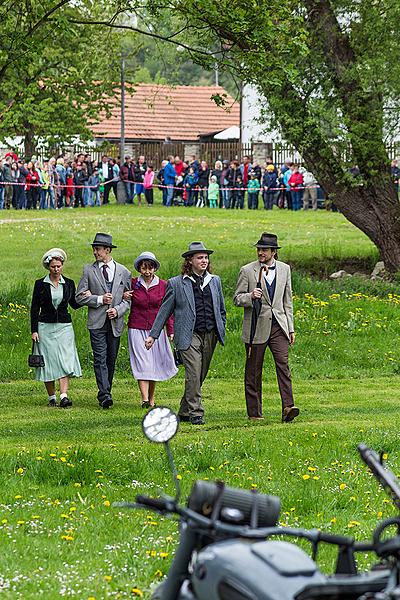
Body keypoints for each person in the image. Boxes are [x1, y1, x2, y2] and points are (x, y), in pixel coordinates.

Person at [145, 242, 226, 425]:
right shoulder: (176, 283)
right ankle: (196, 412)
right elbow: (164, 311)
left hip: (210, 334)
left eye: (206, 257)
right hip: (188, 336)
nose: (204, 260)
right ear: (190, 260)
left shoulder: (215, 281)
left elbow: (221, 308)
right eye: (200, 257)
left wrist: (222, 326)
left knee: (200, 375)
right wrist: (153, 335)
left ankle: (184, 410)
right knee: (193, 374)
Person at [233, 232, 299, 423]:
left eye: (264, 250)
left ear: (273, 252)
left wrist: (291, 328)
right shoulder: (247, 270)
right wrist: (250, 296)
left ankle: (288, 407)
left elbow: (288, 301)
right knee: (253, 370)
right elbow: (237, 298)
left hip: (279, 325)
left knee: (283, 366)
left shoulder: (285, 269)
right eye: (259, 249)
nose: (260, 252)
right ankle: (255, 413)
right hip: (256, 327)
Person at [75, 233, 131, 409]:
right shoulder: (88, 270)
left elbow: (128, 299)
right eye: (94, 249)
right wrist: (99, 299)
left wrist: (118, 310)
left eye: (98, 249)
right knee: (100, 358)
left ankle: (107, 390)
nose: (95, 252)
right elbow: (79, 297)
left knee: (111, 359)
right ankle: (104, 394)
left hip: (115, 323)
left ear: (107, 250)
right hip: (96, 322)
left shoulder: (124, 272)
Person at [30, 248, 82, 407]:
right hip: (45, 326)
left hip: (64, 327)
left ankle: (64, 396)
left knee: (65, 360)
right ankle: (52, 396)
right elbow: (34, 308)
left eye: (59, 266)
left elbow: (74, 304)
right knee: (49, 362)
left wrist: (91, 299)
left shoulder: (69, 283)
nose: (56, 269)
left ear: (62, 266)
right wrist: (34, 330)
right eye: (53, 266)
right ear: (48, 267)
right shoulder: (40, 284)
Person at [124, 252, 177, 408]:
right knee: (142, 364)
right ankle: (145, 399)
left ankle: (151, 398)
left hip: (156, 330)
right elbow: (121, 299)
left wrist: (170, 329)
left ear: (155, 269)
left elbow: (168, 309)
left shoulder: (163, 285)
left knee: (153, 365)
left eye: (150, 268)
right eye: (144, 268)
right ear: (139, 269)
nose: (147, 272)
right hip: (136, 327)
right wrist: (124, 295)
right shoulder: (133, 284)